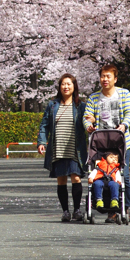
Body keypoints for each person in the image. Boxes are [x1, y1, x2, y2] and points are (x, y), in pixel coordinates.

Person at [84, 64, 130, 223]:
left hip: (120, 143)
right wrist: (89, 126)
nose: (105, 79)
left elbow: (129, 112)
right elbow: (87, 117)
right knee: (102, 176)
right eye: (102, 76)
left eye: (108, 76)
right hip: (100, 144)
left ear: (115, 79)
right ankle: (109, 211)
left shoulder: (124, 94)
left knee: (122, 177)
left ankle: (124, 207)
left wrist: (124, 125)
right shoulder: (93, 97)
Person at [37, 74, 89, 222]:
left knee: (76, 177)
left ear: (74, 87)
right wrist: (41, 142)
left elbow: (88, 123)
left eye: (69, 84)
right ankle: (65, 211)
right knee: (61, 180)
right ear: (60, 87)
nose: (66, 87)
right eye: (63, 84)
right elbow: (44, 125)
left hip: (75, 148)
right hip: (57, 147)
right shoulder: (52, 105)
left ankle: (77, 210)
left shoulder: (81, 106)